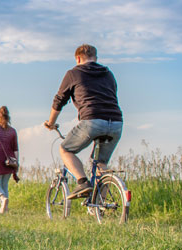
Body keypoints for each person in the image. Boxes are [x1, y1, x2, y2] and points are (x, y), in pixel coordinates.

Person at [44, 44, 123, 199]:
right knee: (100, 164)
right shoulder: (108, 74)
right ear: (96, 58)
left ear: (78, 58)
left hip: (92, 120)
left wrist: (51, 122)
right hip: (116, 122)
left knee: (65, 149)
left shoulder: (73, 73)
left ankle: (82, 183)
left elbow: (59, 100)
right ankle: (100, 205)